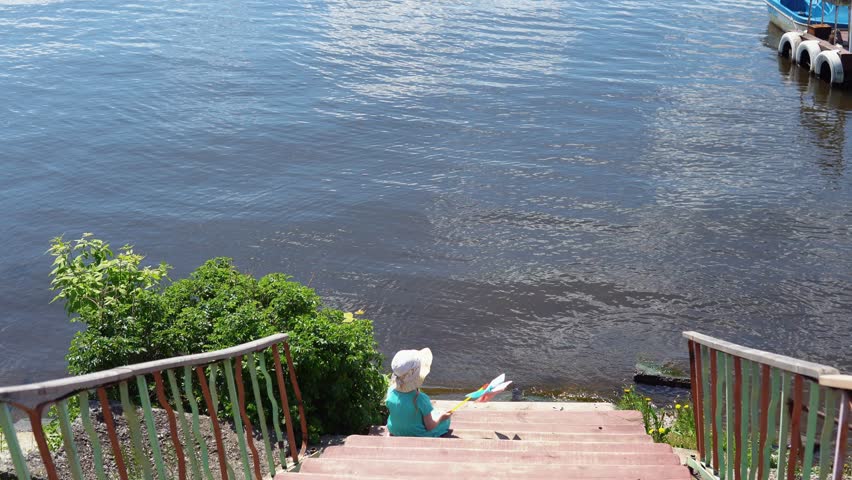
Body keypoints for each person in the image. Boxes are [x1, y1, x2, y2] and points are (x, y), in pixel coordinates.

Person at [385, 348, 452, 437]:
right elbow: (430, 426)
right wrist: (441, 417)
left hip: (395, 430)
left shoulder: (391, 392)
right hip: (417, 433)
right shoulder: (420, 399)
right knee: (445, 420)